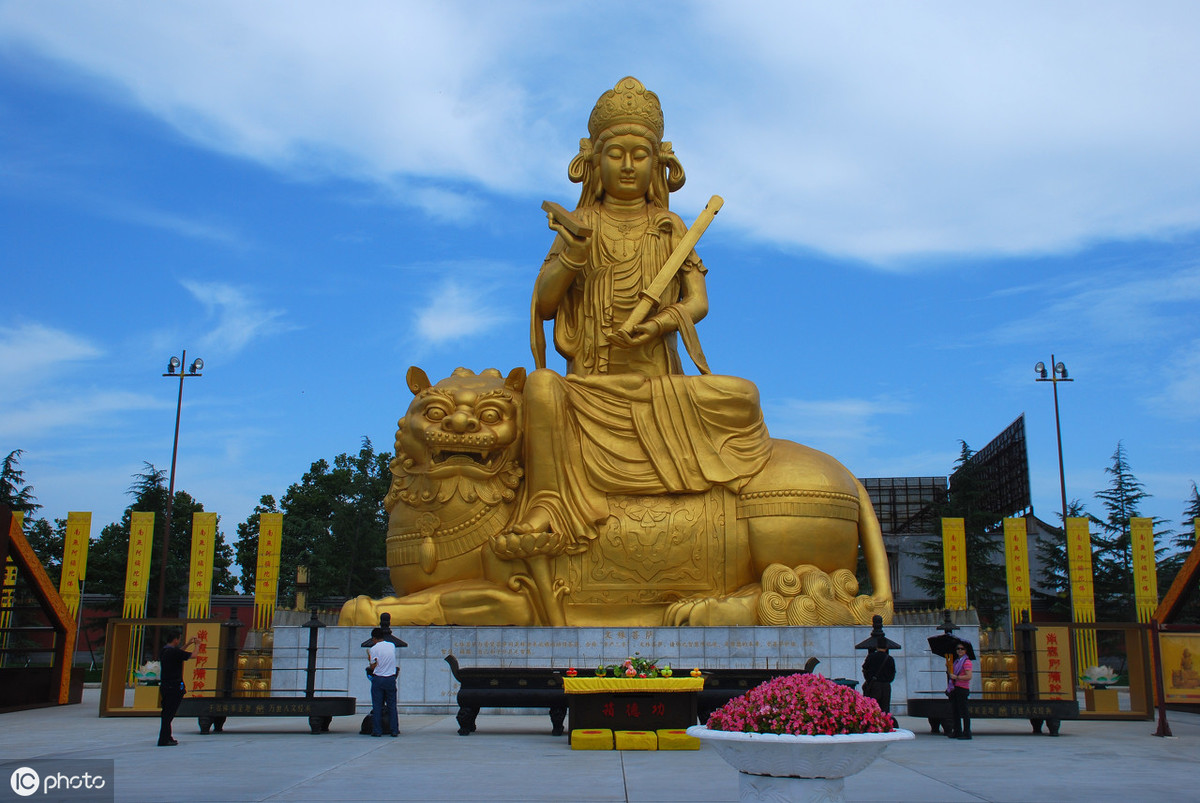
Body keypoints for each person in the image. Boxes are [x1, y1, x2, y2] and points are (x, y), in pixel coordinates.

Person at [517, 76, 772, 546]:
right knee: (539, 387)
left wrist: (657, 324)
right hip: (591, 388)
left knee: (744, 396)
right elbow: (547, 304)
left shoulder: (670, 226)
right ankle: (548, 506)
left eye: (640, 155)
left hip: (659, 390)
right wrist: (573, 253)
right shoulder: (582, 225)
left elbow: (698, 301)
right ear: (594, 162)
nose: (629, 166)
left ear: (658, 162)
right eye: (616, 154)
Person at [158, 629, 198, 746]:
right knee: (168, 714)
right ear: (175, 640)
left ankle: (167, 736)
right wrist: (197, 645)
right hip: (174, 686)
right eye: (179, 639)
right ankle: (164, 739)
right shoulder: (173, 652)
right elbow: (194, 655)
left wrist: (189, 644)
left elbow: (179, 652)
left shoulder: (165, 650)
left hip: (165, 686)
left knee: (167, 713)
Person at [367, 627, 399, 737]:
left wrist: (370, 660)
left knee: (377, 706)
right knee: (392, 705)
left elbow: (373, 666)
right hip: (390, 678)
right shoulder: (391, 645)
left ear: (374, 638)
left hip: (379, 678)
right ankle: (394, 730)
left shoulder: (373, 649)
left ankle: (377, 730)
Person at [947, 640, 973, 740]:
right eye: (958, 649)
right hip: (955, 688)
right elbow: (952, 674)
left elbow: (969, 676)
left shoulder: (966, 662)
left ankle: (967, 732)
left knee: (964, 711)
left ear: (965, 651)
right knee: (955, 711)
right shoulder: (957, 661)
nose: (960, 650)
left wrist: (957, 677)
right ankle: (957, 731)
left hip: (962, 688)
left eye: (962, 649)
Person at [861, 646, 896, 716]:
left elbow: (865, 668)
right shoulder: (889, 659)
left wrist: (869, 680)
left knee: (872, 708)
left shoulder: (871, 656)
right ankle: (884, 723)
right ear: (886, 648)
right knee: (885, 708)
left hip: (874, 685)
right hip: (886, 686)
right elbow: (893, 673)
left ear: (877, 647)